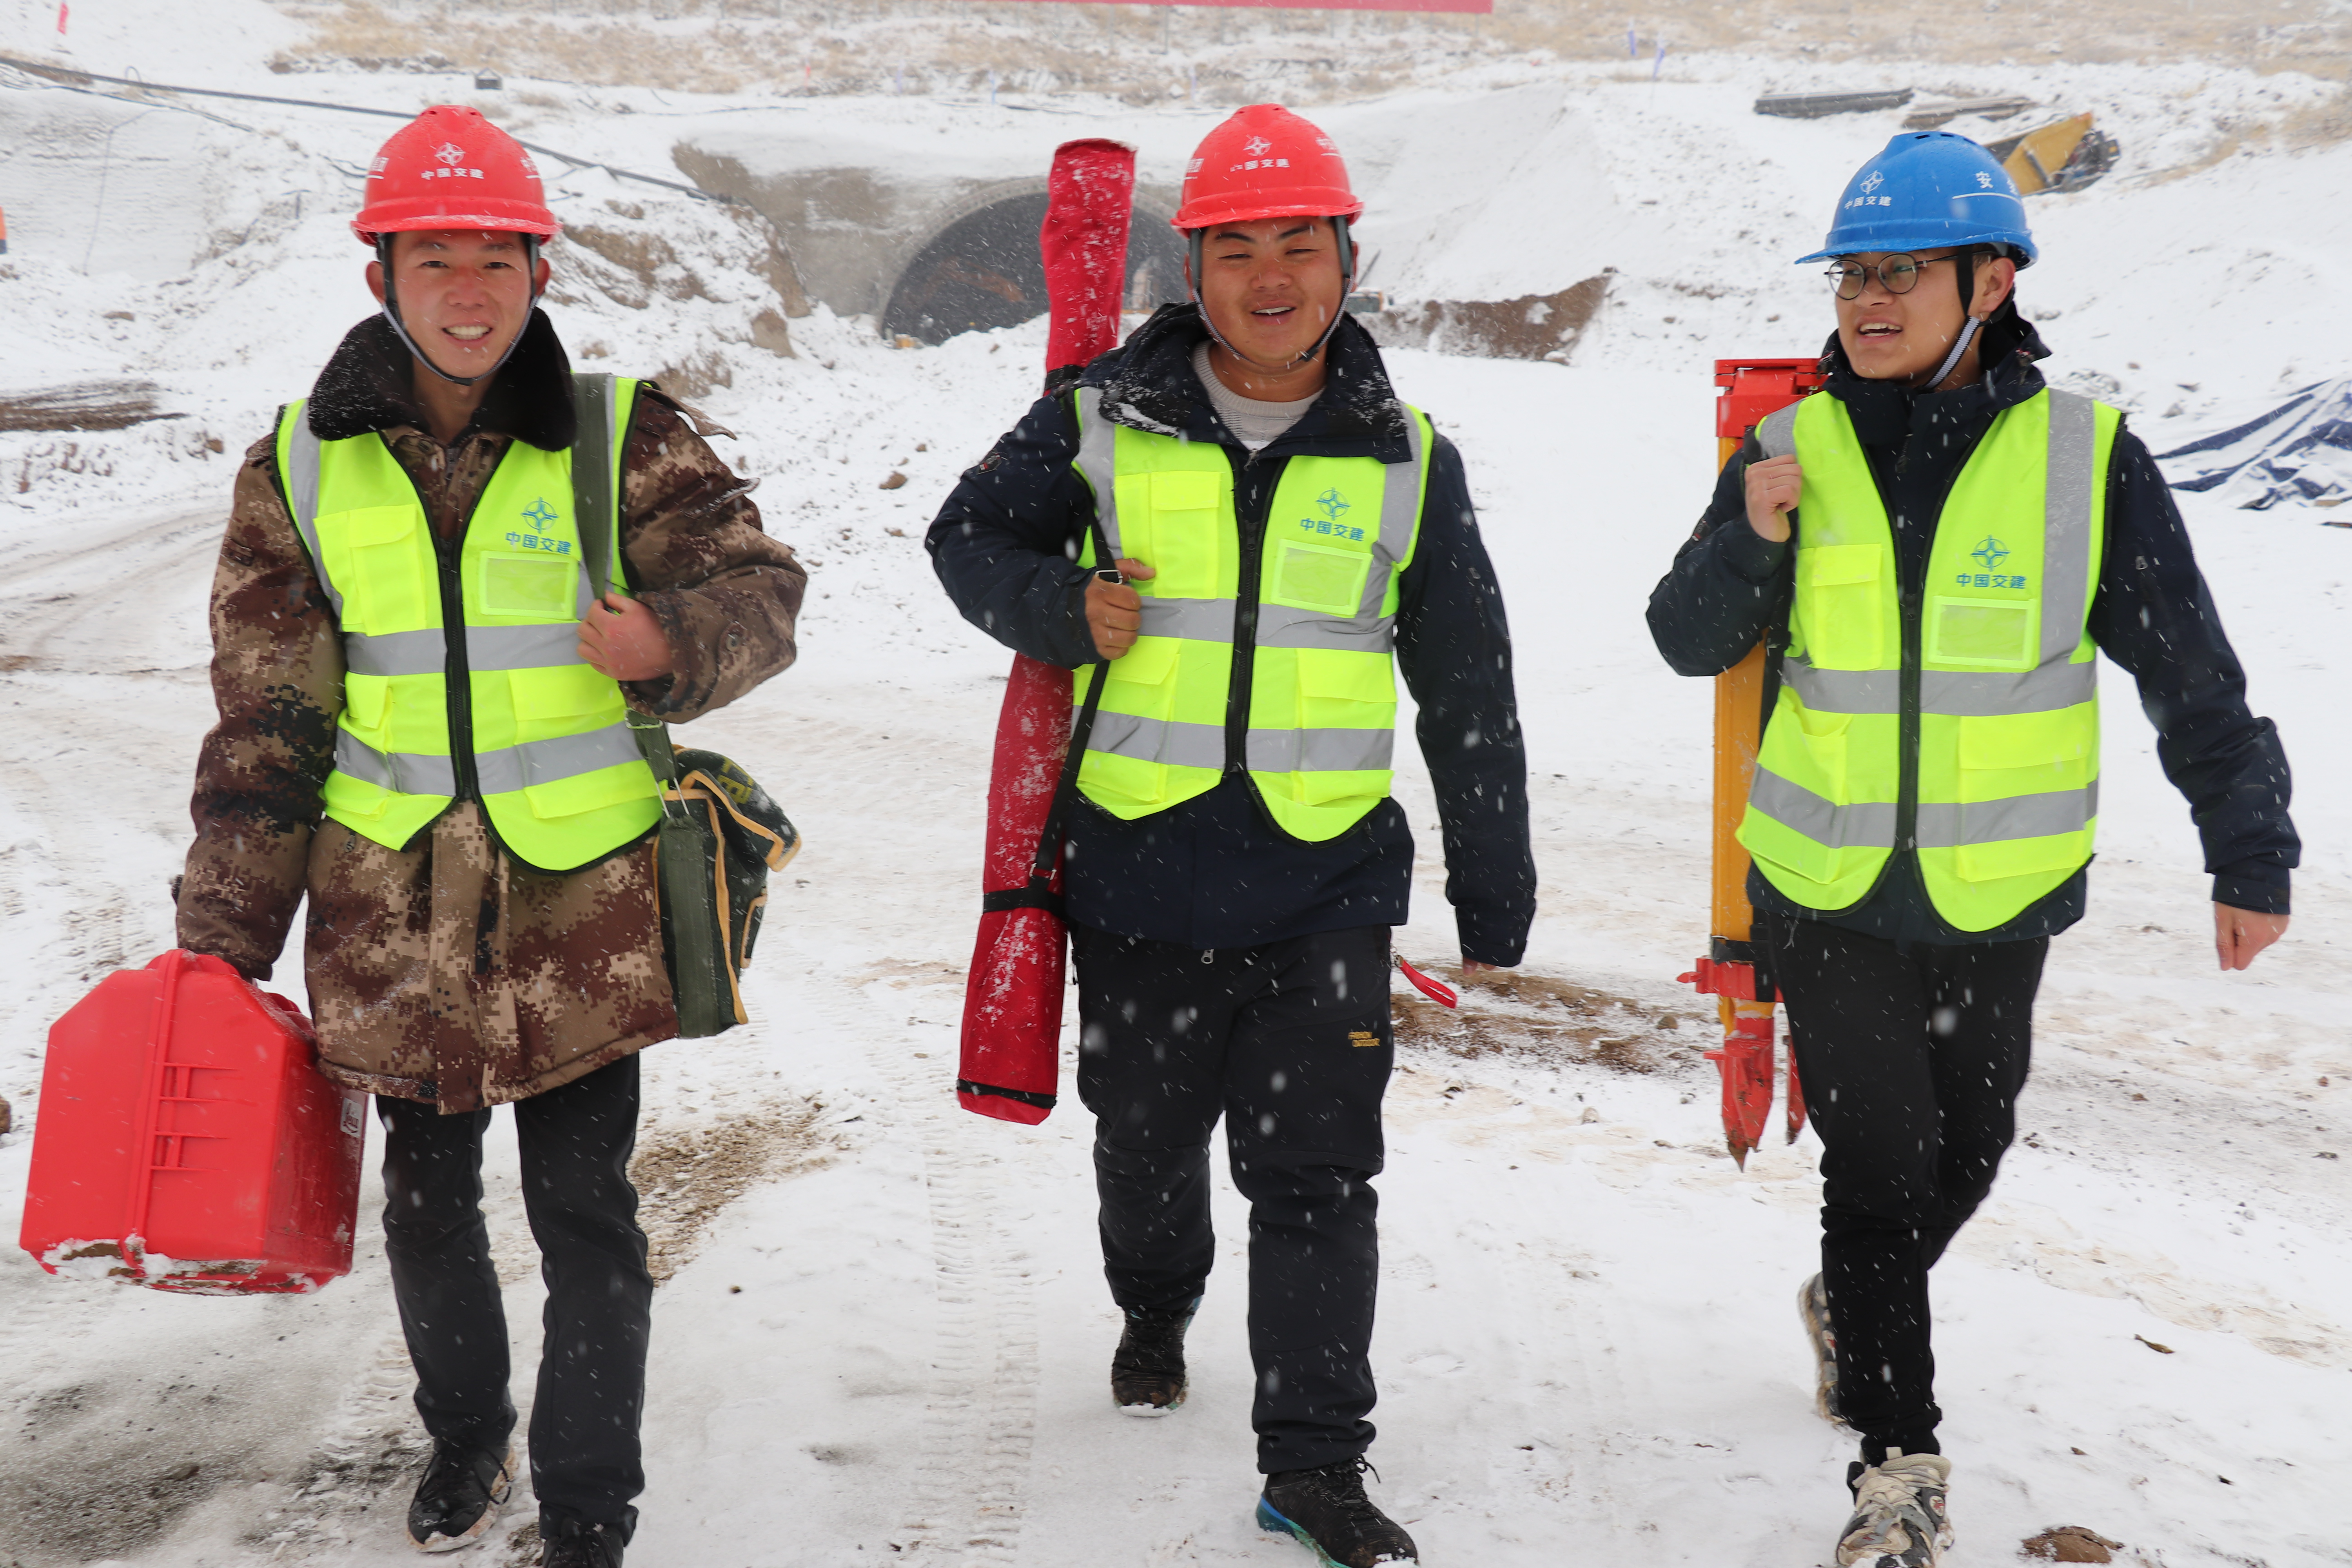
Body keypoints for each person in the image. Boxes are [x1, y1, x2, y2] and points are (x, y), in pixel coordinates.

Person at [1648, 132, 2297, 1568]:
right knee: (1879, 1172)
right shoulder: (1786, 446)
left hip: (1998, 889)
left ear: (1990, 280)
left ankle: (1855, 1308)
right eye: (1852, 275)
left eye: (1902, 273)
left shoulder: (2083, 457)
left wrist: (2247, 847)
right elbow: (1686, 637)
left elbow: (2190, 668)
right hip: (1824, 886)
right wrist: (1752, 538)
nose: (1867, 301)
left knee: (1971, 1144)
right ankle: (1899, 1466)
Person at [174, 105, 806, 1568]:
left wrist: (677, 639)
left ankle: (590, 1503)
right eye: (435, 260)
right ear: (381, 274)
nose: (470, 293)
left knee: (586, 1210)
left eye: (498, 262)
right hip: (388, 909)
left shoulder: (616, 433)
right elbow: (269, 723)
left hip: (580, 909)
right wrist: (222, 937)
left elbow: (762, 586)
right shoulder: (298, 468)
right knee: (427, 1201)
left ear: (539, 271)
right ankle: (468, 1434)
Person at [927, 103, 1535, 1568]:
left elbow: (1467, 680)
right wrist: (1060, 610)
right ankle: (1155, 1300)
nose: (1274, 274)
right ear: (1192, 264)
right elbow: (967, 539)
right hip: (1138, 864)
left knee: (1319, 1179)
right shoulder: (1100, 417)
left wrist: (1496, 881)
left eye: (1301, 244)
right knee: (1144, 1153)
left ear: (1347, 258)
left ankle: (1315, 1463)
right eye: (1239, 245)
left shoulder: (1406, 456)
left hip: (1324, 879)